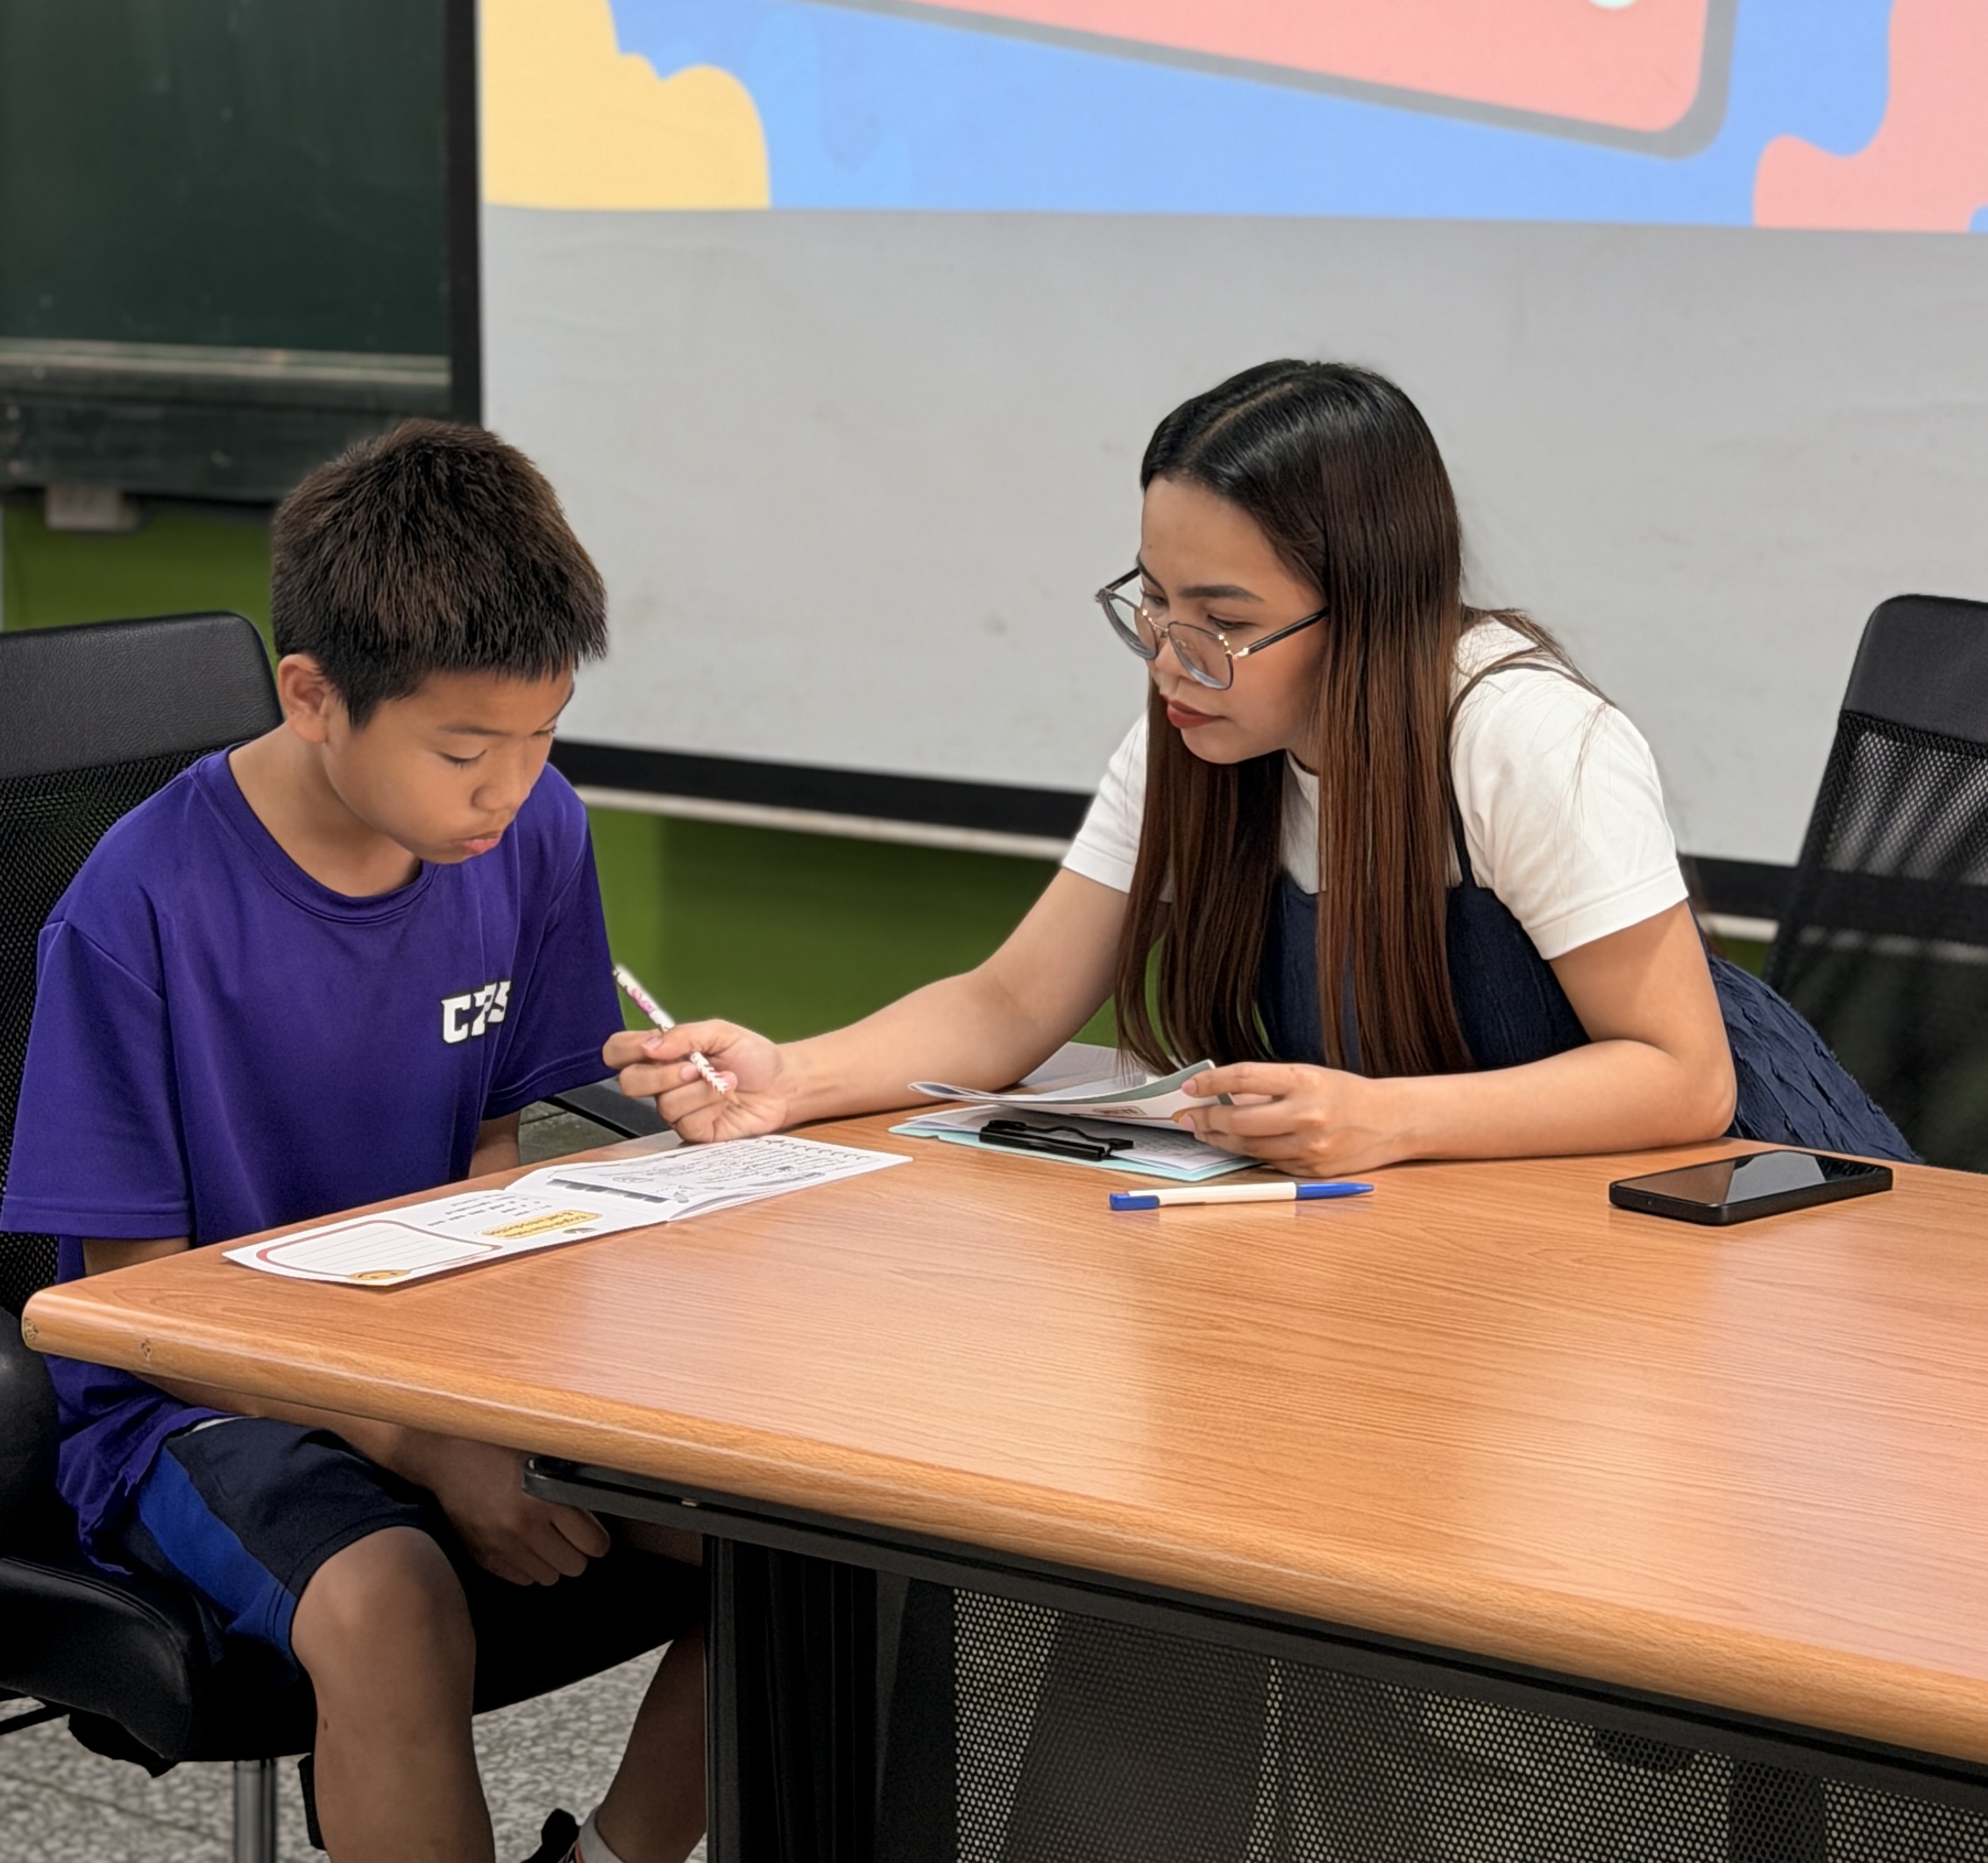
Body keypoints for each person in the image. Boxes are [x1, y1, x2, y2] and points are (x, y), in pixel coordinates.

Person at [606, 358, 1909, 1171]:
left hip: (1737, 1207)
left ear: (1370, 609)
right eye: (1153, 601)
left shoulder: (1524, 739)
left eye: (1224, 622)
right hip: (1468, 1224)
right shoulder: (1196, 732)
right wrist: (795, 1078)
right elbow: (1012, 1002)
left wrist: (1386, 1119)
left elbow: (1683, 1077)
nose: (1173, 659)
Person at [3, 422, 704, 1863]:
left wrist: (626, 1198)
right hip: (196, 1400)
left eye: (544, 736)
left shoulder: (532, 835)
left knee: (809, 1546)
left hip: (443, 1350)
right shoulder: (138, 905)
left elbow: (508, 1147)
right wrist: (423, 1443)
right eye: (464, 750)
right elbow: (135, 1308)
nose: (510, 787)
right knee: (392, 1606)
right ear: (313, 696)